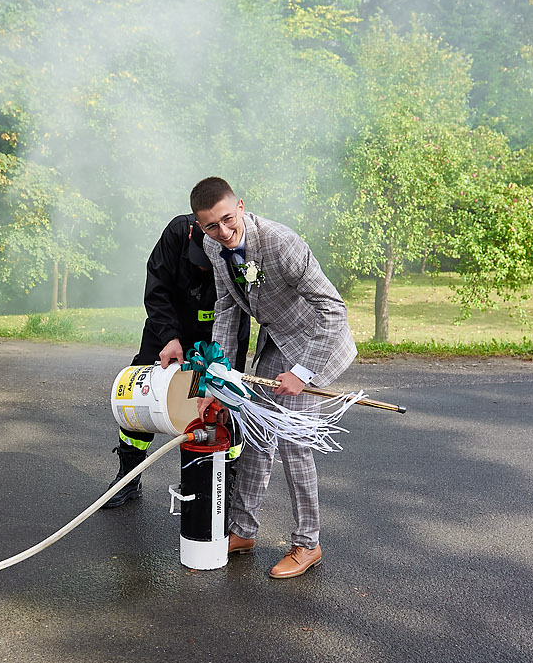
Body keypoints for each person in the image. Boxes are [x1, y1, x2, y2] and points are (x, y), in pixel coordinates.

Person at [191, 176, 356, 578]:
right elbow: (227, 309)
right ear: (200, 226)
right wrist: (216, 378)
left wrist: (302, 373)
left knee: (294, 442)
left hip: (316, 341)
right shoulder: (213, 247)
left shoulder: (281, 243)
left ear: (241, 206)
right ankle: (243, 531)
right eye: (212, 226)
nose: (223, 232)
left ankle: (308, 543)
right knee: (257, 432)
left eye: (228, 220)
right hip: (278, 340)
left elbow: (333, 308)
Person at [102, 213, 249, 507]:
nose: (202, 267)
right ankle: (129, 476)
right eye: (198, 260)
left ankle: (216, 482)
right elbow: (156, 288)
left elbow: (238, 315)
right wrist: (169, 336)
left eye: (208, 263)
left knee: (218, 406)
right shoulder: (178, 232)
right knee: (138, 396)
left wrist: (220, 368)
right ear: (194, 232)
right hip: (166, 327)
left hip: (217, 336)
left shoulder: (238, 246)